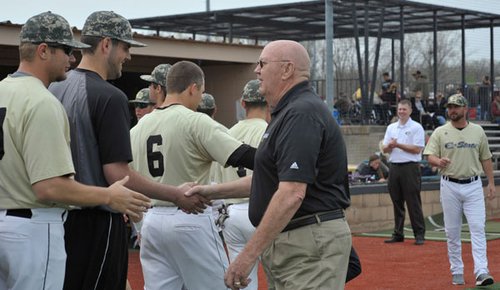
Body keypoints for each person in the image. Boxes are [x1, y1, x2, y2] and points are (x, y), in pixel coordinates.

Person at [48, 11, 208, 290]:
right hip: (97, 222)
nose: (129, 55)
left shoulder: (54, 88)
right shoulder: (110, 97)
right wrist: (174, 194)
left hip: (56, 219)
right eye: (126, 47)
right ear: (106, 44)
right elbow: (117, 173)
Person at [0, 11, 151, 290]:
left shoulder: (3, 90)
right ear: (43, 50)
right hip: (33, 229)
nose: (72, 58)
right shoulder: (41, 101)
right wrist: (109, 195)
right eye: (67, 50)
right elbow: (50, 188)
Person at [187, 40, 353, 289]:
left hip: (307, 241)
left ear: (287, 70)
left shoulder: (301, 113)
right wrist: (212, 192)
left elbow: (292, 192)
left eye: (263, 63)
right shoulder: (289, 112)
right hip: (295, 241)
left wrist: (247, 255)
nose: (256, 70)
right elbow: (271, 180)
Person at [129, 60, 256, 290]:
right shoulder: (195, 120)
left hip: (152, 221)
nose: (200, 99)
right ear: (193, 88)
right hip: (190, 217)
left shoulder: (139, 126)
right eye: (201, 92)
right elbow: (244, 156)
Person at [424, 94, 496, 286]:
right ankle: (457, 270)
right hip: (449, 184)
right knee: (452, 231)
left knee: (478, 228)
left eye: (456, 107)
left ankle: (481, 271)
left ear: (465, 109)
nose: (452, 110)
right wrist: (438, 161)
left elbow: (486, 158)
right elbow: (429, 155)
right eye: (450, 107)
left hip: (473, 185)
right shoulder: (440, 131)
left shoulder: (478, 131)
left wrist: (491, 182)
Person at [210, 79, 269, 290]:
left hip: (230, 214)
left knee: (242, 282)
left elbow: (214, 177)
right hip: (262, 213)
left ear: (243, 103)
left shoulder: (227, 133)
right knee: (279, 277)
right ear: (269, 103)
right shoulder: (270, 131)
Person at [383, 99, 426, 245]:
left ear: (410, 111)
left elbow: (417, 149)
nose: (401, 112)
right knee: (396, 201)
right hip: (394, 166)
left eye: (404, 109)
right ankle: (398, 233)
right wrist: (390, 146)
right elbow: (384, 149)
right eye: (399, 109)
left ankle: (419, 234)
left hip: (410, 167)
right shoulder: (391, 128)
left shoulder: (416, 127)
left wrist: (398, 144)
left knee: (413, 202)